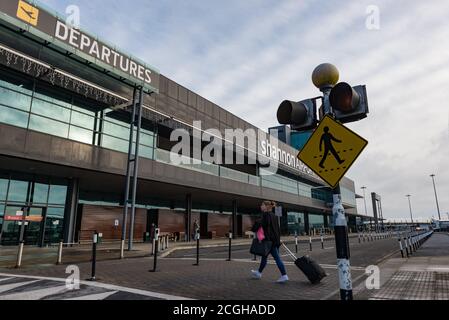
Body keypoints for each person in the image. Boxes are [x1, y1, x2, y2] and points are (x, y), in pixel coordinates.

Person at [251, 200, 289, 283]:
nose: (261, 206)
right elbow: (276, 230)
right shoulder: (274, 216)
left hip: (269, 241)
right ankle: (259, 272)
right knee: (264, 257)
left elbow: (261, 225)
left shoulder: (266, 215)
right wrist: (278, 240)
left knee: (277, 258)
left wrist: (256, 225)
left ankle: (284, 275)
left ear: (266, 206)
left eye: (262, 205)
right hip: (273, 240)